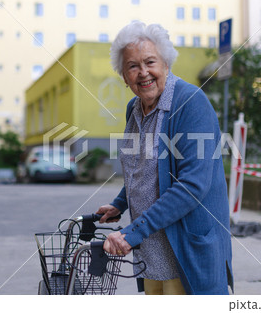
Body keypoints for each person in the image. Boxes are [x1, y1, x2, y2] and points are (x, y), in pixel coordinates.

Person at [96, 21, 233, 295]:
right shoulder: (134, 109)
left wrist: (130, 233)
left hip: (186, 251)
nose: (143, 72)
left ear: (166, 63)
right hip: (152, 252)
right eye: (133, 66)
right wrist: (120, 204)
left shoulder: (191, 102)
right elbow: (143, 169)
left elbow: (192, 186)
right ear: (124, 76)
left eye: (150, 62)